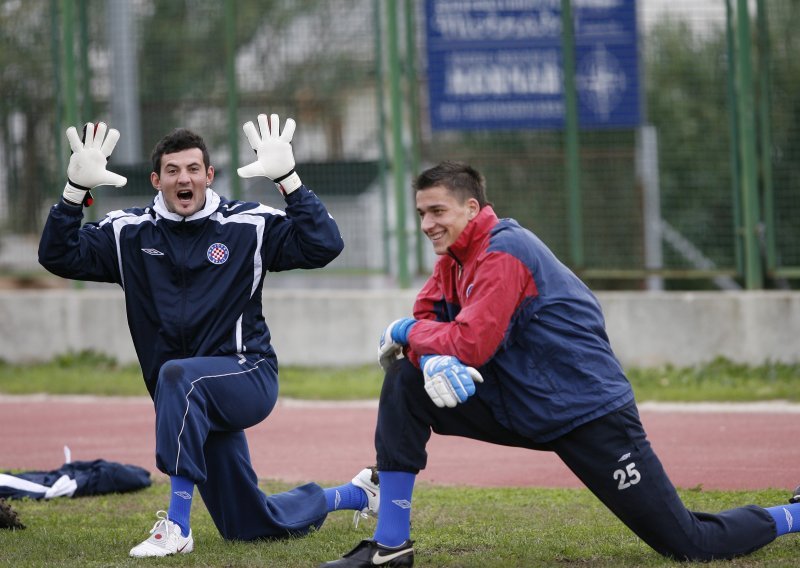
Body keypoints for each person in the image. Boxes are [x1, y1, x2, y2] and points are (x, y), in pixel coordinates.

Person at [320, 160, 800, 567]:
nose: (427, 223)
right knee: (405, 383)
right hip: (521, 401)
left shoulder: (505, 252)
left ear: (472, 208)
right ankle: (390, 545)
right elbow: (430, 316)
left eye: (437, 211)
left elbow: (466, 343)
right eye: (422, 212)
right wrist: (427, 360)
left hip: (586, 413)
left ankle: (793, 515)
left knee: (689, 544)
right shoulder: (453, 259)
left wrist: (406, 334)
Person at [38, 115, 380, 558]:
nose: (185, 179)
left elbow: (324, 244)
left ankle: (176, 528)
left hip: (247, 374)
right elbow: (57, 255)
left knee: (179, 375)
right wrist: (72, 193)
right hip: (187, 402)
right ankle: (356, 493)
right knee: (249, 526)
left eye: (194, 169)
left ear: (209, 176)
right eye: (174, 171)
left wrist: (288, 180)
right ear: (157, 180)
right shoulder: (127, 232)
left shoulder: (248, 224)